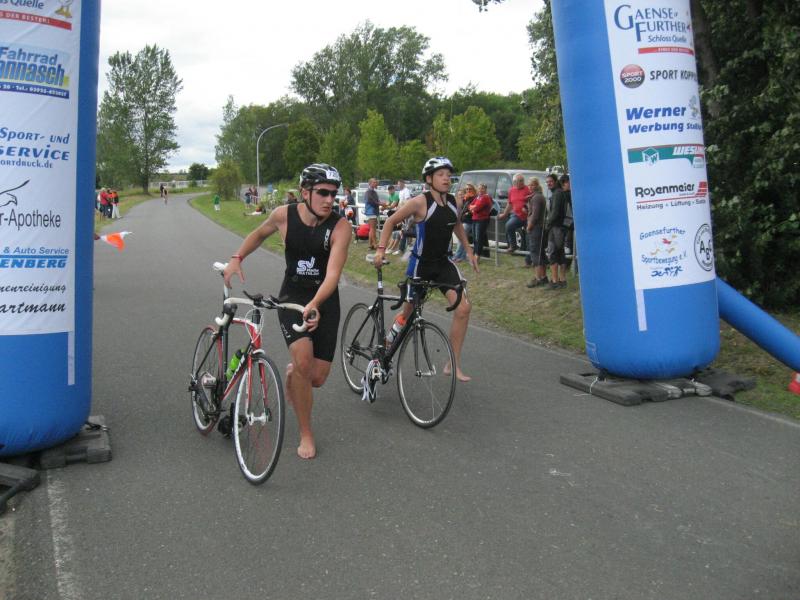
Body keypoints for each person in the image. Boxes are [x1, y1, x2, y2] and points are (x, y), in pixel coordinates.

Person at [224, 163, 351, 459]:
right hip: (292, 296)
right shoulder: (284, 215)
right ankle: (306, 433)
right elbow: (258, 234)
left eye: (333, 194)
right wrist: (236, 258)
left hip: (324, 299)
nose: (329, 200)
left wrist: (316, 304)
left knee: (316, 377)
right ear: (305, 192)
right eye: (323, 193)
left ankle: (295, 374)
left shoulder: (340, 227)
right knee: (304, 362)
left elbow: (333, 274)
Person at [373, 157, 478, 382]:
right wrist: (381, 250)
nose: (446, 179)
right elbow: (390, 222)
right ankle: (387, 344)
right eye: (441, 175)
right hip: (421, 265)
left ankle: (452, 364)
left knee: (464, 308)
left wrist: (469, 251)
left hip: (443, 264)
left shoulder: (454, 202)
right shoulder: (420, 202)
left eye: (448, 175)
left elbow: (456, 225)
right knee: (407, 314)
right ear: (429, 179)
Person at [545, 173, 568, 289]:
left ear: (555, 181)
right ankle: (562, 280)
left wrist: (548, 224)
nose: (548, 184)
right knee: (560, 252)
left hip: (556, 227)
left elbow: (555, 212)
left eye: (550, 181)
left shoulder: (557, 193)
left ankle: (555, 281)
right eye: (547, 182)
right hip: (559, 227)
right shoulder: (558, 192)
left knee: (554, 253)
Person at [525, 178, 549, 287]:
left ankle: (538, 278)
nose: (530, 187)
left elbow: (535, 215)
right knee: (541, 252)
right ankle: (543, 277)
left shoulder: (536, 197)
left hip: (536, 228)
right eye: (529, 185)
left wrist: (529, 226)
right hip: (540, 228)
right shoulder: (538, 196)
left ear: (537, 185)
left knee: (535, 252)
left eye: (532, 185)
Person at [498, 173, 529, 254]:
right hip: (517, 215)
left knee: (528, 235)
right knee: (509, 225)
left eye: (523, 180)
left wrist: (527, 208)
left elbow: (531, 201)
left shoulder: (527, 189)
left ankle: (528, 256)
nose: (522, 182)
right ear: (515, 182)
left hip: (528, 216)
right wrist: (504, 214)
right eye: (520, 181)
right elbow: (510, 204)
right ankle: (513, 245)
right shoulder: (511, 190)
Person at [469, 183, 493, 258]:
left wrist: (473, 208)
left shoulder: (486, 197)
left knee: (479, 238)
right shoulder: (478, 197)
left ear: (485, 189)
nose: (480, 190)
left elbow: (477, 208)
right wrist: (473, 208)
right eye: (479, 188)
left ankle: (477, 255)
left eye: (482, 188)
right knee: (475, 238)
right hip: (475, 218)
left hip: (482, 220)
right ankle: (475, 254)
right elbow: (470, 205)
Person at [363, 178, 381, 249]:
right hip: (371, 212)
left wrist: (381, 203)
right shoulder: (369, 192)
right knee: (373, 229)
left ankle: (370, 245)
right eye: (374, 182)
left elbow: (376, 201)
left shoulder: (373, 191)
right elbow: (372, 202)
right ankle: (375, 244)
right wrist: (381, 204)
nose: (376, 183)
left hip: (372, 211)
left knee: (371, 229)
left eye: (376, 182)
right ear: (370, 183)